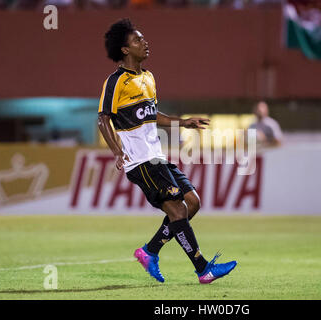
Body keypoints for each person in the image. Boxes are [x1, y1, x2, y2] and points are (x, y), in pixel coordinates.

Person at [97, 19, 237, 284]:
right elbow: (103, 118)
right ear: (125, 50)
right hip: (140, 161)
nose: (145, 43)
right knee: (177, 210)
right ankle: (203, 269)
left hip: (157, 157)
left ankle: (150, 251)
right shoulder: (115, 82)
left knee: (192, 202)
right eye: (138, 40)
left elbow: (152, 114)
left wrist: (182, 121)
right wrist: (116, 151)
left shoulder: (148, 77)